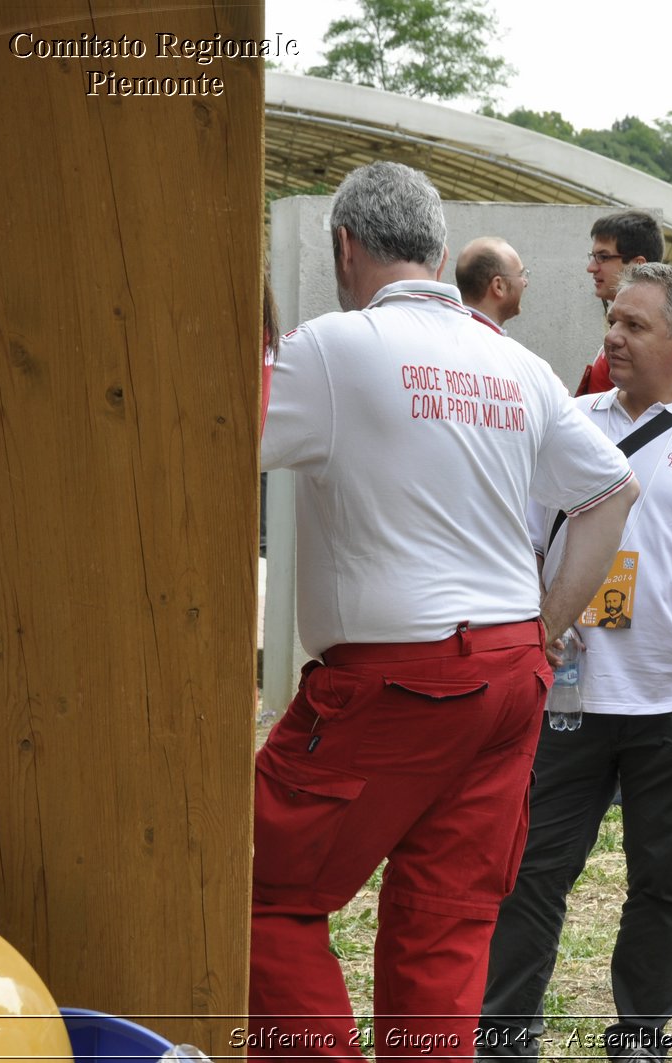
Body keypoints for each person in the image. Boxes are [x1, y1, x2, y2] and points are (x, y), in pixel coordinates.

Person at [251, 161, 639, 1062]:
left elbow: (206, 428)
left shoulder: (333, 348)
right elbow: (613, 492)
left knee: (255, 889)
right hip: (507, 676)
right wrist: (542, 627)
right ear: (436, 250)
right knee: (445, 921)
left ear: (345, 248)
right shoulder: (518, 365)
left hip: (397, 678)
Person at [479, 263, 672, 1062]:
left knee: (662, 886)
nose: (612, 336)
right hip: (566, 701)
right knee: (530, 874)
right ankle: (503, 1035)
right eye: (612, 321)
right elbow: (516, 541)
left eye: (634, 325)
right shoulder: (569, 421)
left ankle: (641, 1037)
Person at [573, 210, 665, 396]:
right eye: (593, 256)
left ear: (638, 266)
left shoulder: (664, 340)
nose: (591, 267)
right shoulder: (657, 332)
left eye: (603, 257)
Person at [456, 236, 530, 332]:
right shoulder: (501, 346)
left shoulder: (440, 335)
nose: (525, 282)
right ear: (498, 286)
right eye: (521, 274)